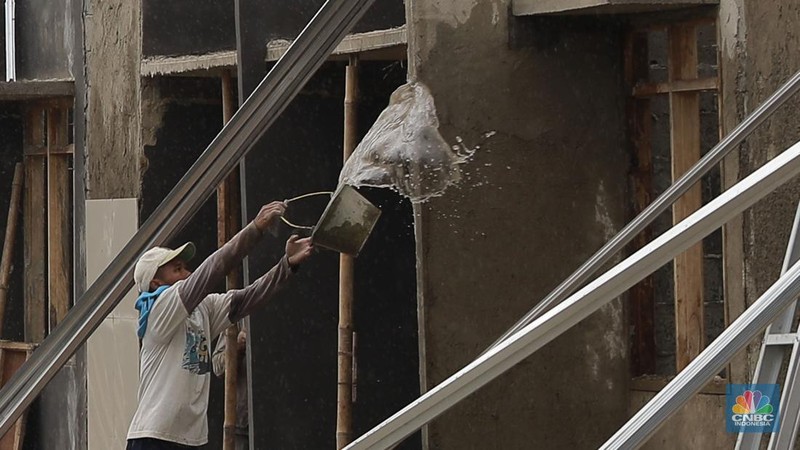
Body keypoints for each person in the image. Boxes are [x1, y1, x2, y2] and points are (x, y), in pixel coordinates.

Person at [126, 201, 313, 450]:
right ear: (155, 283)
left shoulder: (203, 308)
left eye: (185, 267)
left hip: (191, 437)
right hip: (154, 436)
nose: (186, 274)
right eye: (177, 269)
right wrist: (255, 229)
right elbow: (212, 270)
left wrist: (287, 265)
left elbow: (247, 298)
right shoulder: (160, 307)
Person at [212, 326, 249, 450]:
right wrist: (237, 346)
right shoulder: (239, 315)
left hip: (282, 418)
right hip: (243, 424)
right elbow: (218, 365)